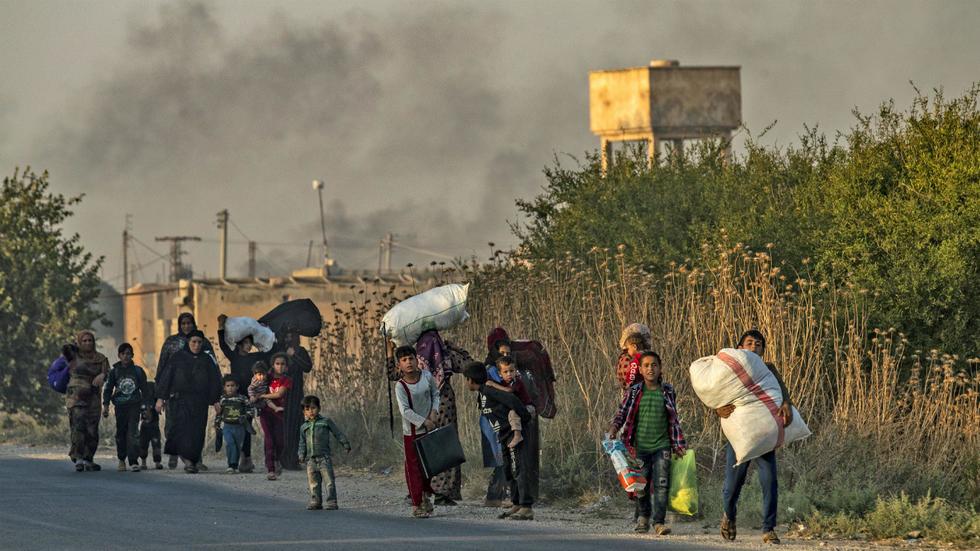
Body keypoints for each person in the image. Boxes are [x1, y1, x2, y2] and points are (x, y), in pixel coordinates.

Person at [716, 330, 793, 545]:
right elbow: (716, 394)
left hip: (763, 436)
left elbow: (782, 391)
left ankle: (768, 529)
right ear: (739, 348)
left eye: (758, 344)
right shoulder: (731, 371)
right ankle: (729, 517)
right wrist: (718, 409)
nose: (754, 347)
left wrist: (786, 403)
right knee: (733, 485)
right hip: (738, 435)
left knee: (770, 481)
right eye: (749, 343)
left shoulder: (768, 370)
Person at [608, 350, 687, 535]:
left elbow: (673, 420)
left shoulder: (667, 391)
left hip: (662, 447)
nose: (650, 369)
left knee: (661, 485)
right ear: (641, 371)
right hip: (639, 449)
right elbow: (622, 413)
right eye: (646, 366)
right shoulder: (634, 391)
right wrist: (613, 429)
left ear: (660, 369)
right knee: (640, 485)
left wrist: (678, 444)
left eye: (654, 365)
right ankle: (643, 517)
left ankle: (658, 522)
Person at [463, 361, 534, 520]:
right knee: (509, 469)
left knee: (519, 468)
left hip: (513, 434)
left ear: (470, 380)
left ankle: (526, 506)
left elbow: (512, 400)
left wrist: (525, 418)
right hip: (503, 436)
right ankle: (516, 503)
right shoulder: (483, 393)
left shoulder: (489, 390)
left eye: (466, 380)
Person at [155, 330, 222, 474]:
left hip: (199, 402)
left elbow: (214, 380)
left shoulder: (207, 360)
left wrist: (216, 400)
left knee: (197, 432)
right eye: (193, 342)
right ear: (188, 342)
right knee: (181, 430)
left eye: (199, 342)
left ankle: (193, 459)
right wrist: (161, 398)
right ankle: (188, 462)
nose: (196, 345)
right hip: (180, 401)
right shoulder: (177, 358)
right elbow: (167, 377)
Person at [217, 313, 268, 473]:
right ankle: (236, 457)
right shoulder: (234, 357)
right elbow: (223, 345)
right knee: (233, 425)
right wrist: (220, 327)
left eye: (250, 343)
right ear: (239, 344)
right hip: (235, 398)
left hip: (250, 397)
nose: (248, 346)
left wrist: (264, 330)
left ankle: (246, 458)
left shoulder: (256, 357)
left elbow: (268, 350)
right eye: (246, 343)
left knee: (246, 425)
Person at [393, 345, 439, 518]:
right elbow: (405, 411)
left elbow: (436, 394)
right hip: (412, 432)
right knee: (414, 469)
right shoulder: (401, 386)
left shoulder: (427, 377)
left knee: (428, 467)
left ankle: (427, 497)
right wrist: (423, 422)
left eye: (411, 358)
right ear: (399, 365)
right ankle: (417, 503)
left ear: (416, 359)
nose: (409, 363)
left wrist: (434, 411)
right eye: (404, 360)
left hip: (430, 429)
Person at [65, 331, 110, 472]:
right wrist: (75, 344)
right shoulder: (74, 356)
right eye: (84, 341)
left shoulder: (100, 358)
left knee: (92, 430)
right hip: (76, 398)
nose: (87, 343)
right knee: (78, 427)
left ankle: (88, 458)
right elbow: (65, 348)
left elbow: (109, 373)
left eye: (90, 340)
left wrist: (103, 375)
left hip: (93, 398)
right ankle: (78, 457)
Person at [298, 395, 351, 510]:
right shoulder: (304, 427)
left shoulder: (326, 422)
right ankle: (315, 501)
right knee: (313, 483)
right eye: (307, 409)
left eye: (313, 408)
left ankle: (332, 501)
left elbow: (338, 433)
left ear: (319, 408)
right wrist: (301, 455)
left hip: (324, 458)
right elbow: (302, 443)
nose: (311, 411)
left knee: (329, 481)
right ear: (304, 412)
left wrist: (345, 444)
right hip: (311, 460)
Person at [102, 343, 148, 472]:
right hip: (120, 406)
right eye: (123, 354)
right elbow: (108, 389)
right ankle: (122, 459)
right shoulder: (114, 371)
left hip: (134, 405)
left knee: (133, 433)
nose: (126, 356)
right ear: (119, 356)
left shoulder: (138, 371)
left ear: (132, 355)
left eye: (128, 354)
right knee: (121, 432)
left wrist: (146, 407)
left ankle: (133, 461)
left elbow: (145, 390)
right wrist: (105, 406)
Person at [278, 329, 313, 471]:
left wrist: (295, 355)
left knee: (296, 428)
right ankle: (281, 459)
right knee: (282, 428)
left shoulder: (300, 351)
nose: (288, 339)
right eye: (286, 336)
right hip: (281, 395)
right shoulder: (280, 352)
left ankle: (293, 460)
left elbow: (307, 367)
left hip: (296, 394)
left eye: (291, 336)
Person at [252, 353, 291, 480]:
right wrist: (253, 396)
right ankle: (270, 469)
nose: (280, 366)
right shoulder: (266, 377)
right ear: (273, 365)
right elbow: (255, 385)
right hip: (265, 412)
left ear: (286, 366)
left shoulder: (286, 380)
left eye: (283, 364)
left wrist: (263, 396)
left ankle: (277, 459)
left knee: (280, 441)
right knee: (269, 440)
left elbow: (279, 394)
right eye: (277, 364)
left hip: (280, 413)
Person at [486, 355, 534, 448]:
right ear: (500, 374)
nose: (509, 374)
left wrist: (493, 384)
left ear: (515, 370)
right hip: (518, 409)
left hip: (528, 408)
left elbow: (508, 391)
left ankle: (517, 435)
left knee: (512, 413)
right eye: (505, 372)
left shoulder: (517, 381)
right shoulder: (503, 383)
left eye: (511, 371)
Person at [215, 375, 251, 473]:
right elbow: (219, 413)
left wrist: (245, 416)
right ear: (224, 387)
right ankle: (231, 464)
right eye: (228, 386)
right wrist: (217, 425)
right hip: (227, 426)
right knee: (230, 444)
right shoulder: (222, 399)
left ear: (237, 386)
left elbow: (250, 409)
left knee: (237, 446)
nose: (230, 388)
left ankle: (234, 465)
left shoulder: (242, 399)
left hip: (239, 427)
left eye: (232, 385)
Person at [139, 381, 163, 470]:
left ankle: (157, 463)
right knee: (143, 445)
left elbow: (159, 407)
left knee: (156, 445)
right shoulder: (141, 400)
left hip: (154, 426)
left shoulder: (156, 401)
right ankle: (144, 463)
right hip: (144, 426)